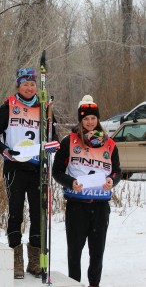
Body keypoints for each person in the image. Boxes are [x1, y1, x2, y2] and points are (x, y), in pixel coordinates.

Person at [0, 68, 59, 279]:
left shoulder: (45, 108)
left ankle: (35, 260)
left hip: (38, 168)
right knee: (15, 213)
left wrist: (51, 147)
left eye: (32, 84)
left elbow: (54, 137)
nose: (29, 88)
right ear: (18, 86)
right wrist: (4, 151)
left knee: (38, 214)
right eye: (25, 84)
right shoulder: (8, 107)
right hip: (15, 168)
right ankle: (15, 259)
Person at [52, 95, 121, 287]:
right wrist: (71, 182)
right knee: (74, 252)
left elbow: (117, 171)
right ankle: (73, 284)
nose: (90, 122)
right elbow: (56, 172)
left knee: (97, 252)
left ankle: (94, 284)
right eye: (86, 119)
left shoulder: (109, 143)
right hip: (77, 206)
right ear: (80, 120)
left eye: (93, 118)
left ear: (98, 120)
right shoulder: (70, 141)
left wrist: (111, 180)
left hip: (100, 206)